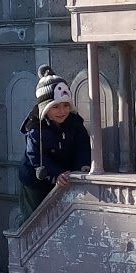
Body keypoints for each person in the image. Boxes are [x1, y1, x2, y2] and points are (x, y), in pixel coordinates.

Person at [17, 65, 92, 220]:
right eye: (55, 107)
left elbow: (82, 146)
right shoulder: (35, 127)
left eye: (66, 105)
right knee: (35, 218)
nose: (62, 111)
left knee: (58, 216)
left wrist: (81, 167)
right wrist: (56, 173)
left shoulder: (74, 123)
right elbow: (35, 156)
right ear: (45, 108)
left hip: (63, 177)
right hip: (35, 180)